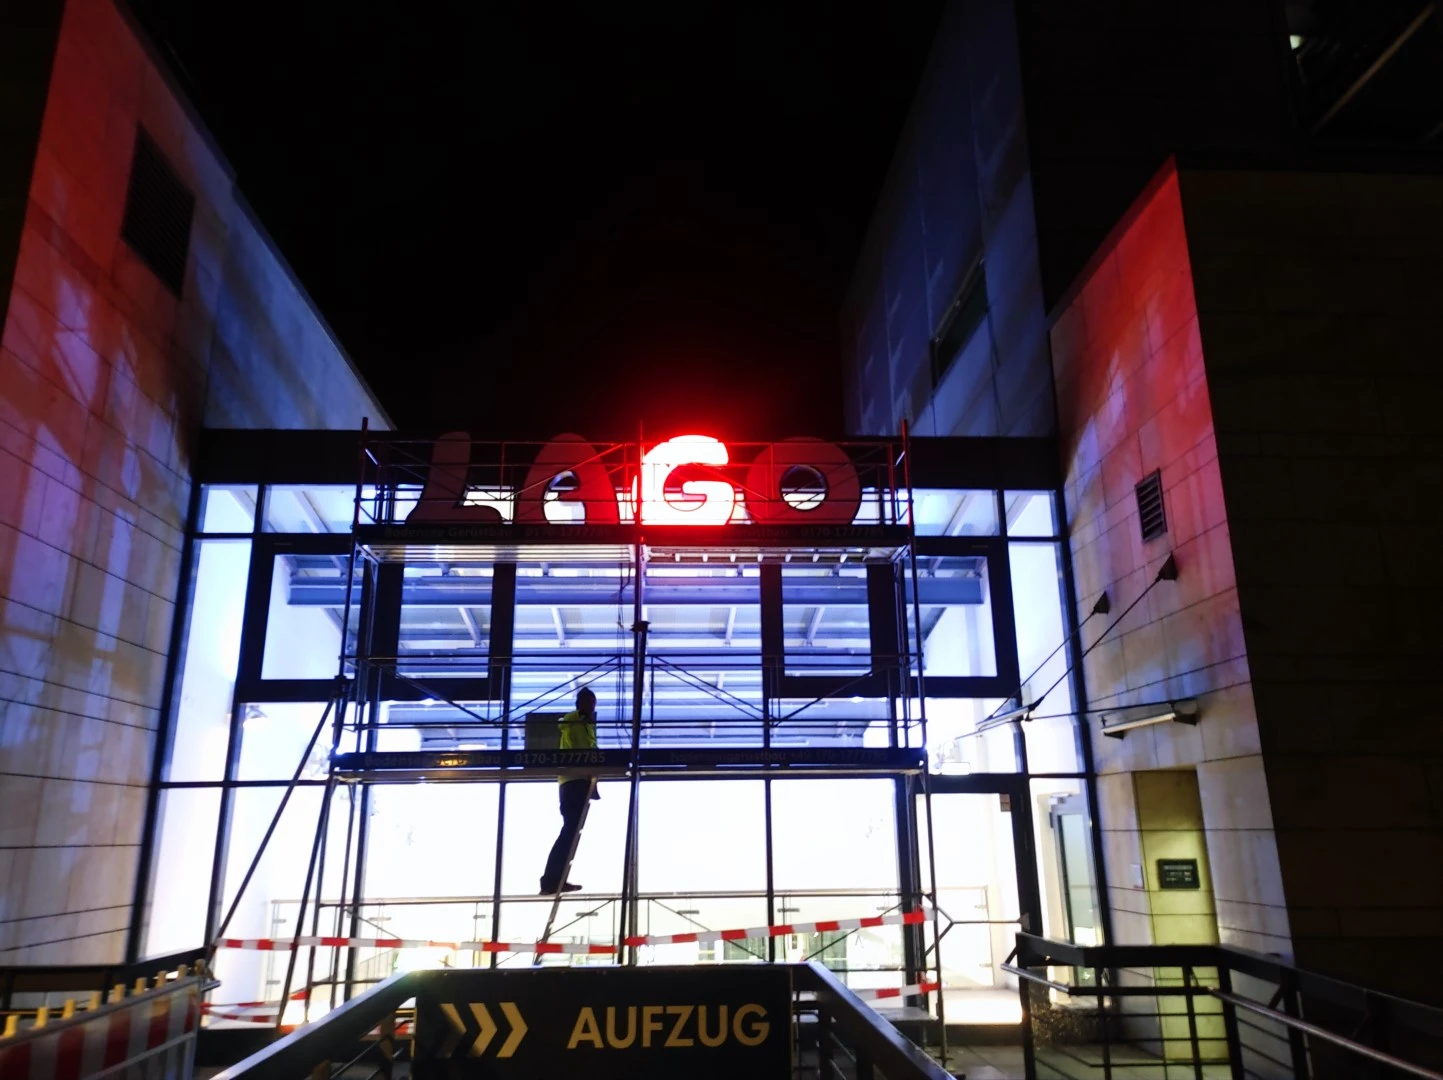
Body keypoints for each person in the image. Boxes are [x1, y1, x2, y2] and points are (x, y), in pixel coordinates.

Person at [539, 687, 601, 894]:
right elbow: (585, 752)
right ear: (582, 703)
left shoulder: (584, 724)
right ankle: (551, 880)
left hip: (576, 782)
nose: (593, 708)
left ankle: (554, 879)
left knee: (570, 832)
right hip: (574, 782)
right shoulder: (575, 722)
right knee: (569, 832)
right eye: (591, 703)